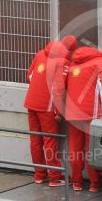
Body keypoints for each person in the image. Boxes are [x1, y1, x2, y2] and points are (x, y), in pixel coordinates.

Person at [24, 36, 77, 187]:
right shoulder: (63, 62)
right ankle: (54, 177)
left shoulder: (40, 53)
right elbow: (59, 89)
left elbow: (29, 75)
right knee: (50, 141)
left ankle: (39, 175)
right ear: (71, 50)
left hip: (31, 103)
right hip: (47, 108)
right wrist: (59, 112)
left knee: (35, 140)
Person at [65, 46, 102, 192]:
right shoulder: (101, 62)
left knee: (75, 148)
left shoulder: (73, 63)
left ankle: (76, 181)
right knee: (92, 149)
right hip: (91, 114)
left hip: (72, 113)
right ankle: (95, 183)